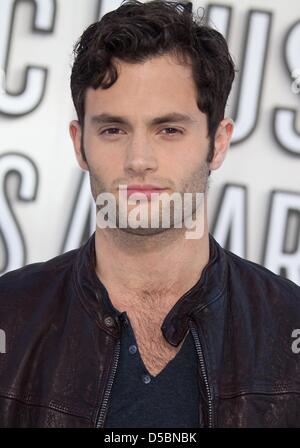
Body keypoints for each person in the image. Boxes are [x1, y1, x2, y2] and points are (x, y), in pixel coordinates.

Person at [0, 0, 299, 428]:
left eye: (169, 130)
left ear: (217, 142)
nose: (139, 159)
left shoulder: (288, 327)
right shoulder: (9, 317)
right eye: (114, 129)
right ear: (79, 142)